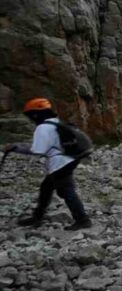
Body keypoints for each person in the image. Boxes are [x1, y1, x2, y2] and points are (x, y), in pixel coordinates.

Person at [6, 98, 91, 230]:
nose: (30, 119)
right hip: (70, 159)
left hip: (60, 163)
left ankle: (82, 220)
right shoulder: (55, 123)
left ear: (35, 114)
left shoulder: (43, 128)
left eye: (30, 115)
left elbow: (38, 151)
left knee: (66, 191)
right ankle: (37, 216)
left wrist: (16, 148)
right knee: (46, 187)